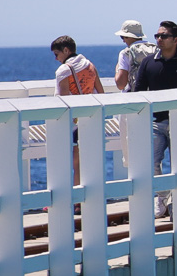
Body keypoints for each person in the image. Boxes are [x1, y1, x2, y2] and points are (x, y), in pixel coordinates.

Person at [134, 21, 177, 219]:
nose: (159, 39)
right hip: (156, 121)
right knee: (152, 162)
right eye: (157, 36)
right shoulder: (148, 62)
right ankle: (162, 197)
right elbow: (139, 92)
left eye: (163, 36)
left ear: (176, 40)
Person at [50, 36, 105, 186]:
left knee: (66, 162)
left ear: (66, 50)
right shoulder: (90, 65)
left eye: (56, 54)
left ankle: (70, 200)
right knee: (86, 161)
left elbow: (63, 100)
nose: (56, 58)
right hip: (90, 118)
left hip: (72, 123)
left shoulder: (64, 70)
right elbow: (101, 93)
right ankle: (84, 199)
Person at [114, 19, 157, 91]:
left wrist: (117, 70)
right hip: (154, 94)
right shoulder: (154, 49)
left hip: (135, 96)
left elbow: (121, 84)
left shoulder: (126, 53)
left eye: (122, 37)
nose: (123, 40)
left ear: (128, 36)